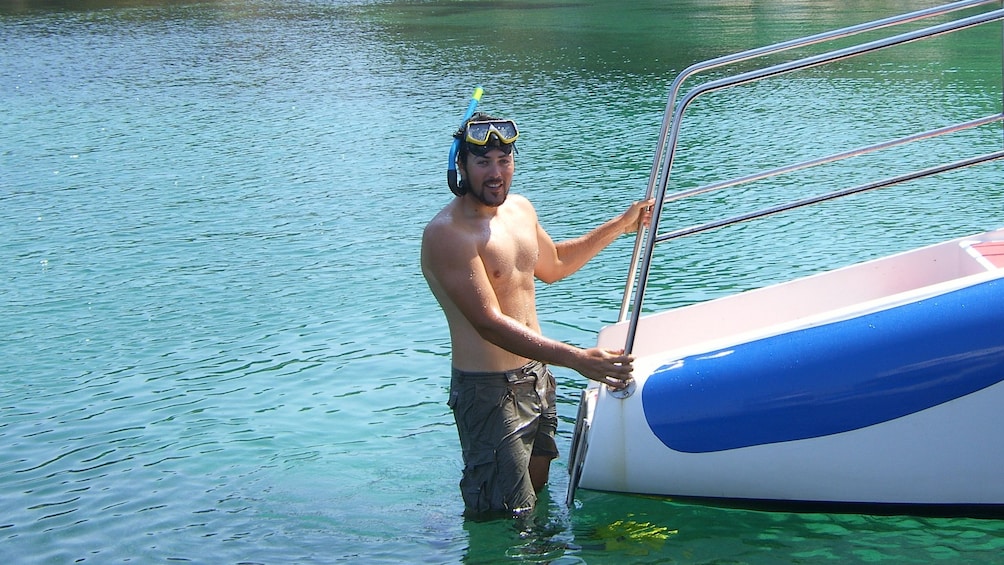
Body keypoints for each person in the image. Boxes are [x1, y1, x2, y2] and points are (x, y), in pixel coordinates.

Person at [421, 111, 653, 518]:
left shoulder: (521, 210)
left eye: (504, 161)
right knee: (506, 517)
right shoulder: (447, 234)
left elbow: (556, 264)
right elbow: (487, 321)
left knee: (537, 500)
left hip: (539, 377)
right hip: (489, 392)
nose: (496, 174)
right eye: (483, 162)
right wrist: (576, 357)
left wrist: (621, 225)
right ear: (460, 165)